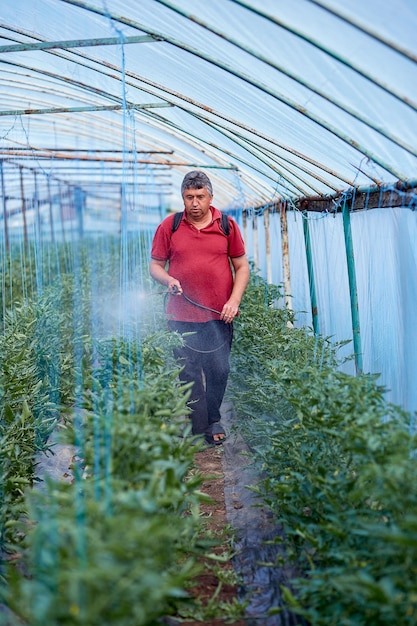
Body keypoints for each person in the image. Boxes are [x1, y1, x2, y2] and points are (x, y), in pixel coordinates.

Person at [149, 170, 250, 445]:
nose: (195, 203)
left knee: (219, 369)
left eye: (200, 197)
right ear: (183, 198)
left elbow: (241, 267)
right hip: (181, 315)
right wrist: (168, 279)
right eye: (189, 197)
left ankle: (213, 416)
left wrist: (234, 301)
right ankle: (200, 428)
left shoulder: (226, 225)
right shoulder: (170, 226)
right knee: (189, 372)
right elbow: (155, 266)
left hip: (220, 314)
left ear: (210, 197)